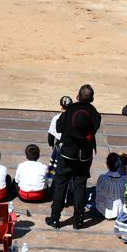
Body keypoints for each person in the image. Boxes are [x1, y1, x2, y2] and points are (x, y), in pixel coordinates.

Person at [50, 85, 100, 229]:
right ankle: (78, 220)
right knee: (80, 186)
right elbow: (94, 129)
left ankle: (55, 218)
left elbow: (59, 128)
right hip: (84, 155)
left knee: (61, 184)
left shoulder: (71, 110)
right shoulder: (94, 113)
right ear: (92, 98)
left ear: (78, 96)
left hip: (68, 154)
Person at [93, 152, 127, 222]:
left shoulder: (102, 178)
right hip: (119, 211)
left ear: (107, 164)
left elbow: (98, 193)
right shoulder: (125, 180)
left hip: (102, 210)